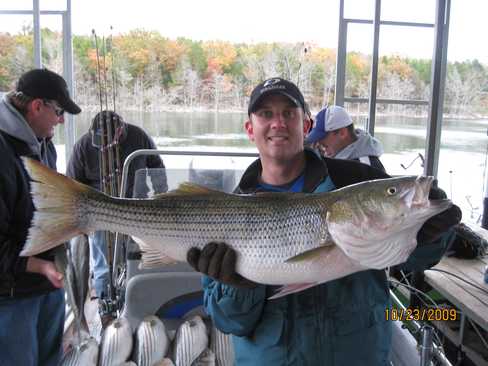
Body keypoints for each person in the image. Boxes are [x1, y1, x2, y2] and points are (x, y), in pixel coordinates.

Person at [186, 77, 461, 365]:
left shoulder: (355, 180)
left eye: (289, 113)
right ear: (249, 129)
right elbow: (231, 323)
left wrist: (431, 233)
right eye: (266, 114)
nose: (278, 123)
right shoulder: (226, 211)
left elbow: (413, 260)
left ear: (305, 126)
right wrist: (236, 286)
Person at [0, 68, 81, 365]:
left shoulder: (42, 144)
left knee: (51, 359)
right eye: (58, 111)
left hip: (47, 285)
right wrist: (39, 266)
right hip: (11, 294)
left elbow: (45, 206)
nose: (61, 121)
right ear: (36, 106)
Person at [66, 110, 167, 300]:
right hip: (100, 213)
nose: (103, 145)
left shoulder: (139, 137)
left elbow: (156, 165)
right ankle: (106, 301)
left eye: (107, 140)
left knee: (136, 257)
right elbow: (72, 184)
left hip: (137, 207)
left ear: (120, 131)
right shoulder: (83, 146)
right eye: (99, 140)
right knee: (103, 262)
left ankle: (136, 295)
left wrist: (162, 197)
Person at [306, 105, 386, 172]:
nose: (319, 142)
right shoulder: (335, 157)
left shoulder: (366, 167)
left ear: (342, 133)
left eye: (322, 136)